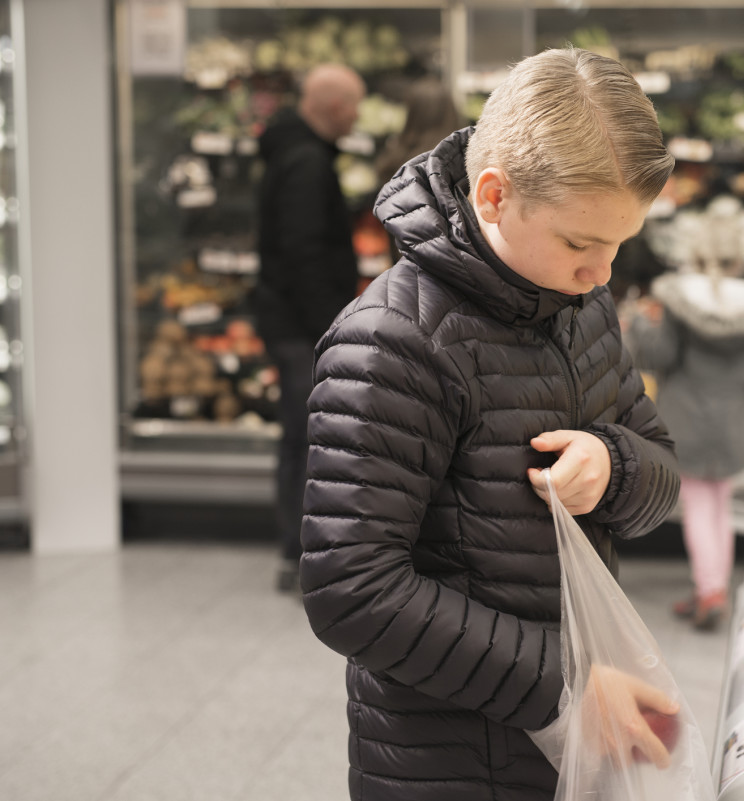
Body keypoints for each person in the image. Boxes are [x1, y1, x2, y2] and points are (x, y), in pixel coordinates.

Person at [298, 48, 682, 801]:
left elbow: (663, 467)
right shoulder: (391, 340)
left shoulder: (579, 307)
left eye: (618, 243)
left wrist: (613, 465)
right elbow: (350, 588)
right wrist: (562, 682)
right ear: (495, 194)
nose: (602, 272)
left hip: (566, 742)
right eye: (581, 242)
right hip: (450, 763)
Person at [630, 259, 744, 630]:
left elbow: (660, 356)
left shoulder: (682, 304)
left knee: (700, 509)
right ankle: (713, 588)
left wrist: (640, 325)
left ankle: (710, 591)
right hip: (731, 424)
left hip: (687, 421)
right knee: (720, 508)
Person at [254, 63, 365, 592]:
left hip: (290, 318)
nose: (359, 116)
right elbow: (303, 253)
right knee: (308, 436)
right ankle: (298, 555)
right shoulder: (305, 163)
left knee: (301, 435)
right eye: (354, 105)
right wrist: (332, 325)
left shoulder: (297, 153)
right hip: (302, 324)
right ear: (333, 107)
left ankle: (294, 551)